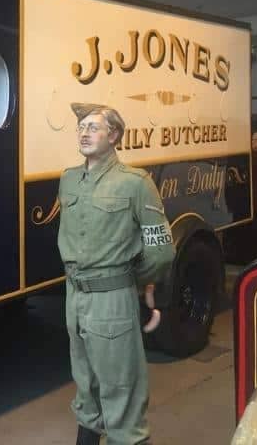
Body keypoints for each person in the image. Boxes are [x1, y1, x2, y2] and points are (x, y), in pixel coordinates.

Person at [58, 103, 175, 445]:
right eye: (81, 127)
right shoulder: (68, 180)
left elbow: (161, 249)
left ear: (114, 135)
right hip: (74, 296)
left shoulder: (136, 184)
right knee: (86, 383)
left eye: (93, 127)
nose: (84, 132)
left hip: (112, 300)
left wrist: (126, 284)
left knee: (121, 388)